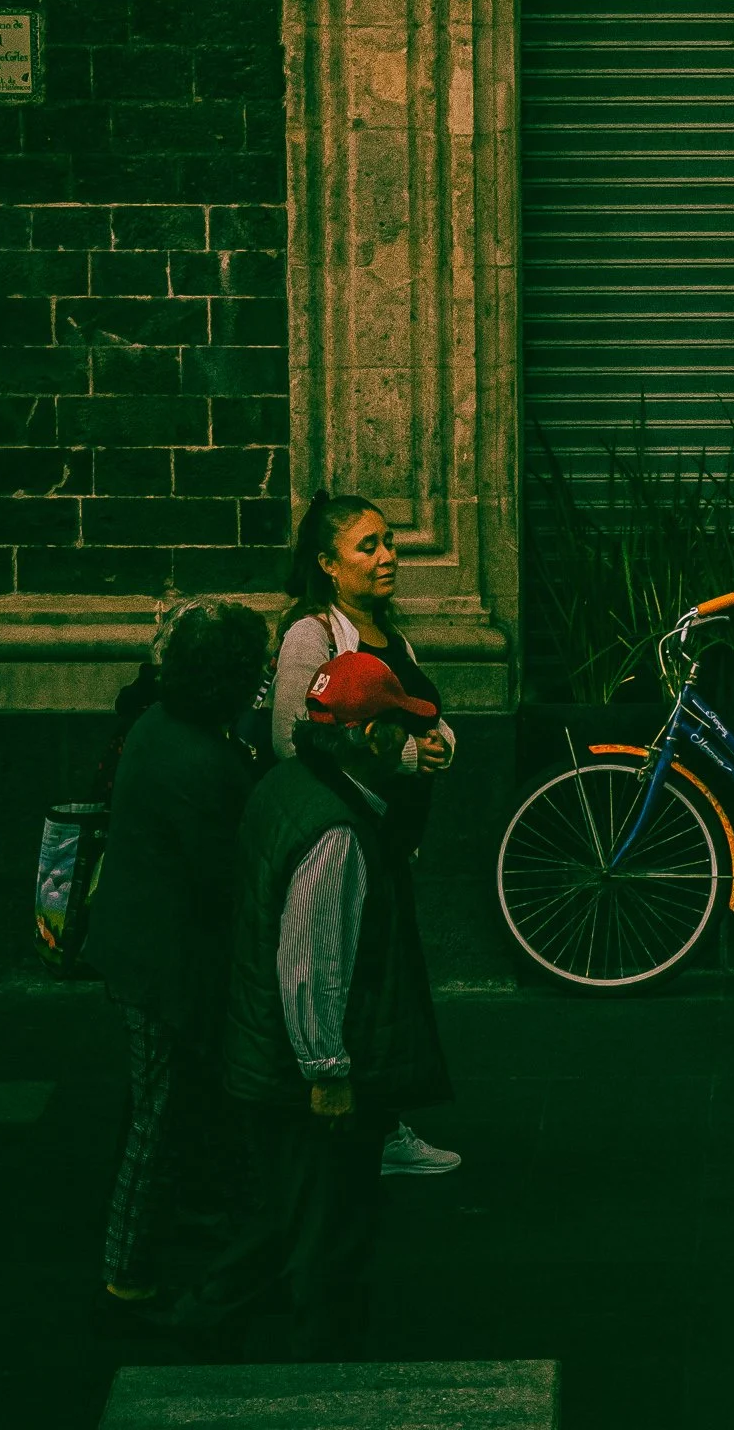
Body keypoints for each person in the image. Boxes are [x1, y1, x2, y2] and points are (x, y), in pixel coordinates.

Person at [170, 651, 453, 1362]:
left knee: (287, 1215)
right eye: (397, 726)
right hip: (300, 1074)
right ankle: (312, 1360)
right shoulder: (336, 833)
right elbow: (312, 965)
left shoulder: (289, 784)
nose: (409, 741)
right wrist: (328, 1073)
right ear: (364, 738)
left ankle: (203, 1319)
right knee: (329, 1231)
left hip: (262, 1054)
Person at [87, 599, 269, 1317]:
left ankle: (187, 1216)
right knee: (156, 1118)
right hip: (166, 965)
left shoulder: (160, 727)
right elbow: (221, 879)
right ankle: (124, 1275)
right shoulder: (206, 761)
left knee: (168, 1101)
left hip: (139, 947)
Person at [273, 490, 459, 1176]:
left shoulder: (391, 634)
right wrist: (404, 756)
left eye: (389, 542)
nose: (387, 557)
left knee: (381, 985)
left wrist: (440, 740)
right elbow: (296, 740)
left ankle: (380, 1124)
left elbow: (416, 709)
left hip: (389, 841)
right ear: (327, 563)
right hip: (344, 841)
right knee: (347, 983)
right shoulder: (310, 637)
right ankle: (356, 1131)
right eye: (368, 546)